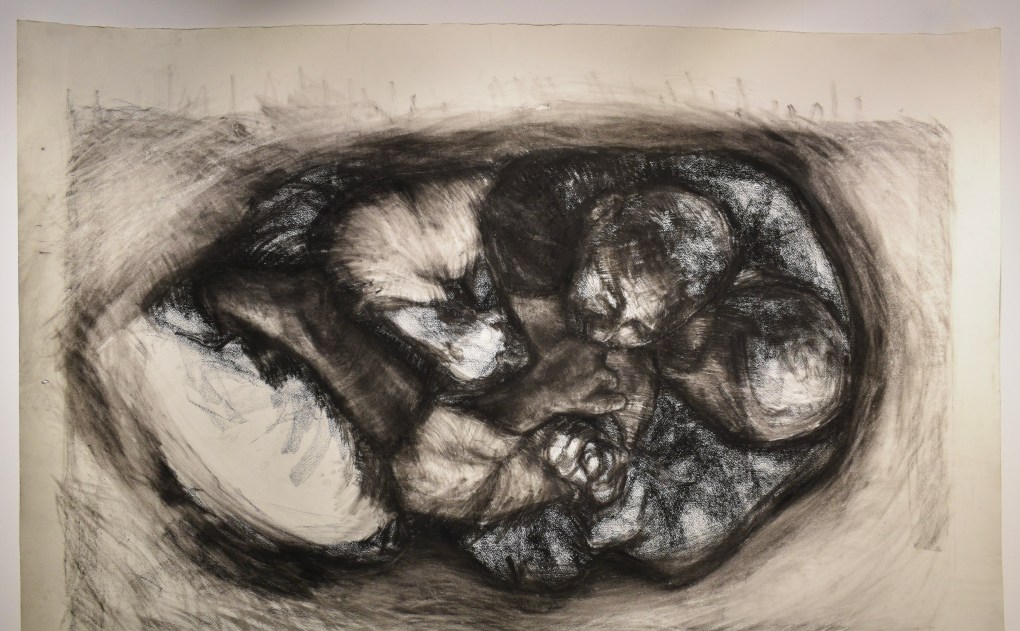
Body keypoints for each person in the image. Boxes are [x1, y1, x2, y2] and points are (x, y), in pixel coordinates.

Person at [131, 147, 853, 590]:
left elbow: (497, 515)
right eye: (700, 335)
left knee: (365, 507)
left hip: (436, 439)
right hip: (426, 289)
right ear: (738, 289)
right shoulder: (690, 229)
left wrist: (579, 463)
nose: (663, 343)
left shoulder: (668, 450)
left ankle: (309, 327)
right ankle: (307, 321)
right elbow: (488, 210)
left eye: (704, 381)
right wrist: (490, 323)